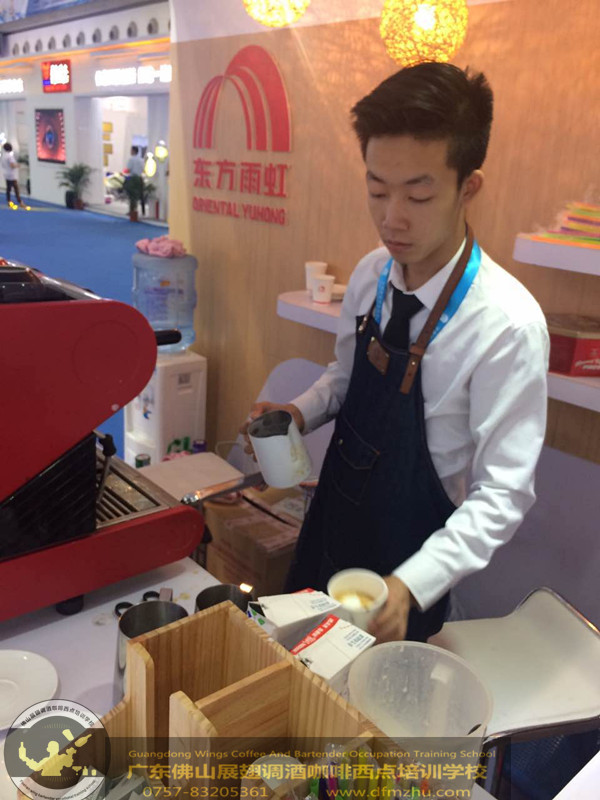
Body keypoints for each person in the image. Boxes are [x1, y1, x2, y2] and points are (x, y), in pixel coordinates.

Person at [241, 62, 549, 643]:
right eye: (377, 190)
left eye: (419, 194)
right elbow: (345, 375)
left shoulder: (506, 325)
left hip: (410, 569)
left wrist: (412, 584)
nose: (391, 218)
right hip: (330, 524)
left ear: (468, 187)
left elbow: (504, 494)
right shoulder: (371, 274)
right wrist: (300, 412)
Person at [2, 142, 26, 208]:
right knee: (16, 189)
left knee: (8, 189)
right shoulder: (9, 156)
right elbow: (12, 165)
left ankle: (9, 201)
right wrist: (18, 165)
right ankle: (20, 202)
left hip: (6, 174)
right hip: (11, 175)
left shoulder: (3, 156)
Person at [124, 146, 146, 215]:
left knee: (132, 195)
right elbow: (143, 169)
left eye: (131, 150)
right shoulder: (141, 160)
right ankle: (140, 210)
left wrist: (124, 173)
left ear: (133, 151)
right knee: (139, 195)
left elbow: (128, 169)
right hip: (139, 178)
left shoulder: (131, 159)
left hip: (132, 178)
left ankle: (132, 210)